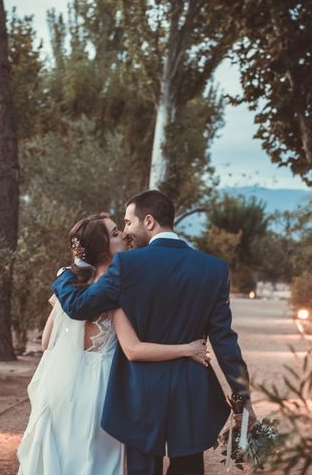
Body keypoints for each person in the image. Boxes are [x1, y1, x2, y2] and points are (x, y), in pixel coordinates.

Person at [52, 191, 256, 475]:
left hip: (140, 392)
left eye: (128, 222)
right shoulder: (214, 269)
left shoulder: (127, 266)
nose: (125, 233)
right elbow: (225, 342)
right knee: (188, 468)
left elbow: (78, 306)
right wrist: (242, 401)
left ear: (148, 221)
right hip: (191, 390)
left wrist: (64, 275)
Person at [17, 213, 211, 475]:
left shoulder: (71, 285)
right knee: (93, 462)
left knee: (61, 461)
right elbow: (133, 349)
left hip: (60, 389)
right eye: (116, 233)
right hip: (101, 393)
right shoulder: (119, 289)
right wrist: (188, 349)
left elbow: (46, 341)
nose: (124, 235)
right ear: (104, 250)